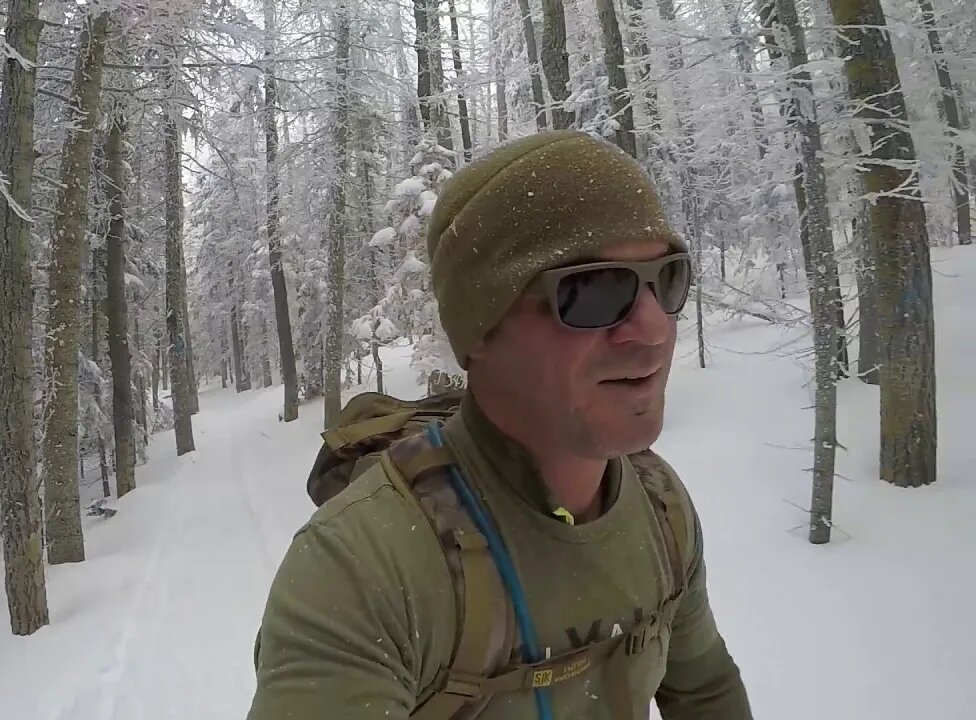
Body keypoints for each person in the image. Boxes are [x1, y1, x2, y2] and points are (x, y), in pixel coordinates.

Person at [245, 131, 752, 720]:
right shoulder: (359, 571)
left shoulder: (661, 509)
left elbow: (706, 688)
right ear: (480, 328)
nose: (655, 329)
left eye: (666, 280)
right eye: (592, 290)